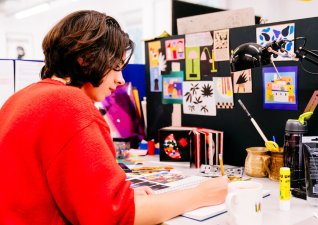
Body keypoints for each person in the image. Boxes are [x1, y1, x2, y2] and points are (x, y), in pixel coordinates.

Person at [0, 10, 229, 225]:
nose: (121, 80)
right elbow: (113, 216)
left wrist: (115, 194)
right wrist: (200, 195)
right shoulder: (70, 104)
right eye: (116, 67)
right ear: (86, 59)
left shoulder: (23, 97)